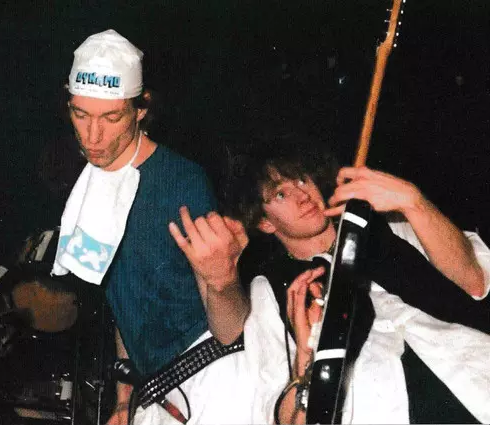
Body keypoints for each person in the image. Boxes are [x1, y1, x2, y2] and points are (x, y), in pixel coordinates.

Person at [51, 29, 258, 425]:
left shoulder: (181, 183)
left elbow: (232, 331)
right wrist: (124, 397)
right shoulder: (90, 185)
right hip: (155, 393)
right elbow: (127, 299)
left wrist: (223, 280)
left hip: (215, 381)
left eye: (111, 117)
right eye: (81, 114)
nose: (92, 136)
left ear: (141, 108)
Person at [217, 141, 490, 424]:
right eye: (281, 194)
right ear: (265, 222)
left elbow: (475, 283)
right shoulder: (270, 290)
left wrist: (414, 202)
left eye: (301, 180)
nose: (303, 196)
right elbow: (281, 415)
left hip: (476, 385)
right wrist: (305, 360)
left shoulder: (390, 227)